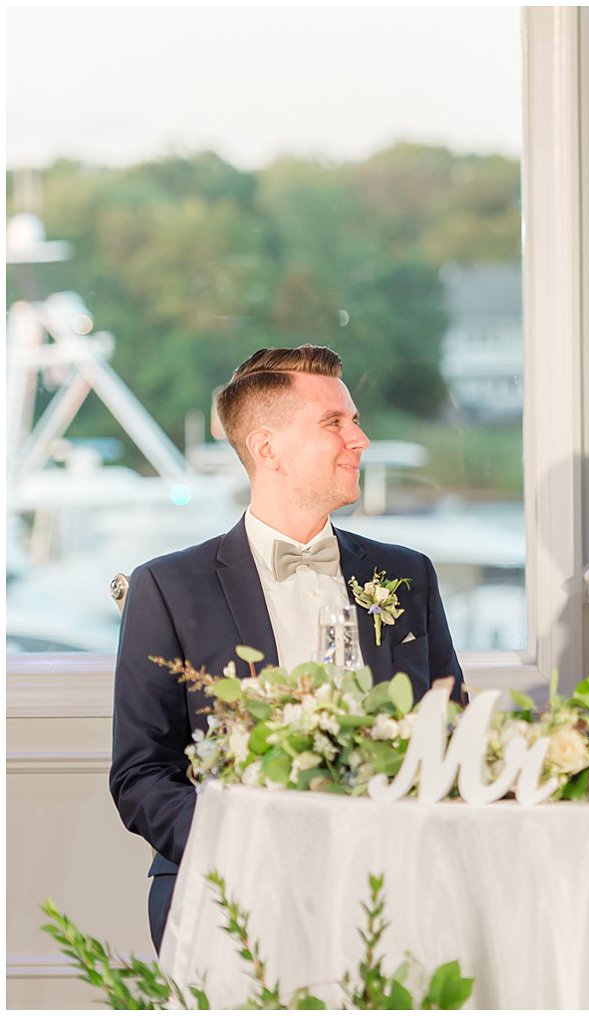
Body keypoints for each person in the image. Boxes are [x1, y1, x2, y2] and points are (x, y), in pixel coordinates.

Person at [108, 345, 467, 953]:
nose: (360, 439)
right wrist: (252, 847)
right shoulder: (168, 588)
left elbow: (448, 730)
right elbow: (142, 773)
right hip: (226, 890)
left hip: (393, 884)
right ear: (267, 449)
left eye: (353, 420)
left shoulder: (407, 575)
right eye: (335, 423)